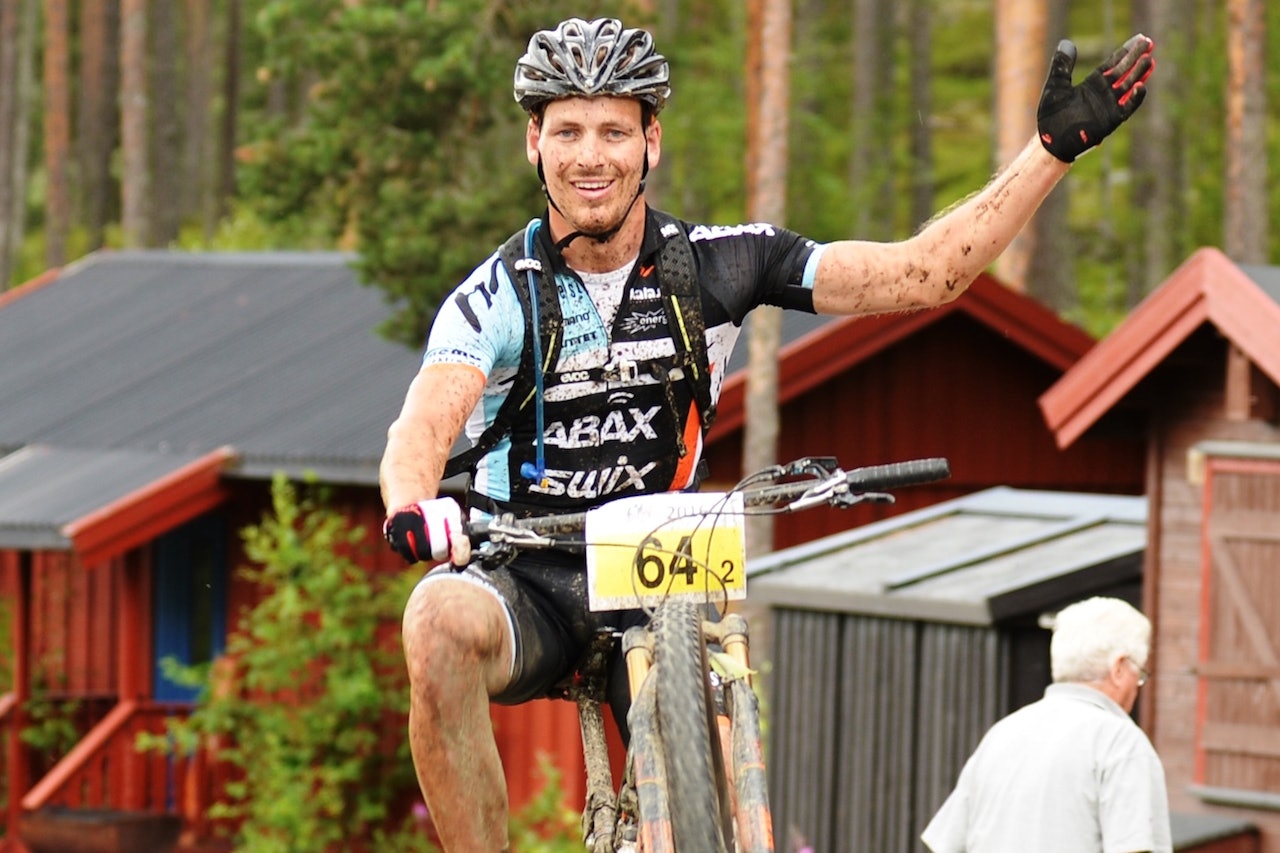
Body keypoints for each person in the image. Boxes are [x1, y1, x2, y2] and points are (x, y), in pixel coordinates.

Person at [379, 17, 1156, 851]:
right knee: (434, 621)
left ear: (652, 141)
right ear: (534, 143)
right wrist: (414, 504)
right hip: (526, 570)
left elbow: (925, 272)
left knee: (709, 771)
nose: (589, 156)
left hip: (657, 568)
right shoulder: (499, 294)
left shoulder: (725, 262)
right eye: (567, 131)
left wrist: (1050, 152)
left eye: (613, 130)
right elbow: (425, 418)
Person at [921, 596, 1173, 853]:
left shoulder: (1003, 734)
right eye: (1139, 675)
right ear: (1119, 668)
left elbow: (946, 844)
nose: (1137, 687)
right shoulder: (1120, 742)